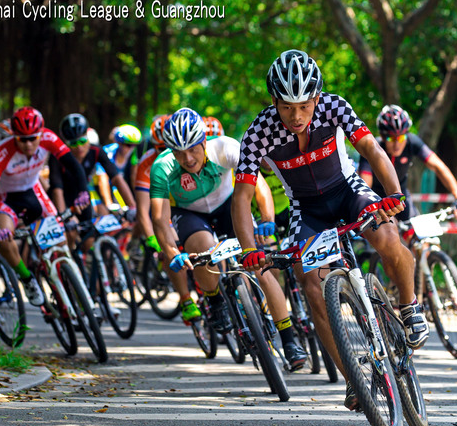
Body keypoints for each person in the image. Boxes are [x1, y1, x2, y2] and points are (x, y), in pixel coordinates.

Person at [231, 49, 429, 411]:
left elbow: (372, 148)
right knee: (311, 285)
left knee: (387, 237)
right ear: (274, 102)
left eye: (304, 106)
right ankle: (354, 379)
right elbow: (242, 196)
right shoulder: (258, 133)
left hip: (347, 191)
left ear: (317, 98)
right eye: (286, 107)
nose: (296, 116)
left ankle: (409, 305)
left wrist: (393, 193)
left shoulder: (335, 106)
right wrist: (249, 249)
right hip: (306, 209)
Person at [149, 108, 306, 368]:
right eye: (179, 152)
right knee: (203, 248)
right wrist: (172, 252)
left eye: (193, 149)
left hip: (228, 205)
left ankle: (289, 340)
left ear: (204, 141)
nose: (187, 158)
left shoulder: (225, 147)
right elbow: (159, 217)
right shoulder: (162, 167)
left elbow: (258, 185)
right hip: (190, 213)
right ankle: (214, 298)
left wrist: (266, 218)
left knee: (261, 267)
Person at [0, 106, 91, 307]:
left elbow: (74, 166)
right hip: (4, 198)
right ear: (14, 137)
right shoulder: (1, 153)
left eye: (33, 138)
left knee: (61, 244)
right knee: (4, 239)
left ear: (40, 134)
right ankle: (26, 278)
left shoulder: (49, 138)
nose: (29, 144)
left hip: (32, 191)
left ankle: (75, 293)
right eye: (23, 140)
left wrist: (83, 192)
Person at [133, 114, 201, 322]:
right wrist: (153, 238)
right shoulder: (147, 165)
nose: (166, 152)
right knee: (168, 245)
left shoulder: (187, 156)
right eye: (160, 148)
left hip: (186, 202)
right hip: (163, 205)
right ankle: (185, 299)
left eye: (169, 148)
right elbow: (144, 210)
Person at [358, 104, 457, 221]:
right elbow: (365, 184)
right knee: (387, 230)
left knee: (417, 231)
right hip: (377, 198)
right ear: (383, 137)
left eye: (401, 138)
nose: (397, 144)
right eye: (391, 138)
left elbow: (438, 166)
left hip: (401, 197)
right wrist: (368, 207)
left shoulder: (412, 142)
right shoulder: (373, 148)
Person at [48, 113, 137, 245]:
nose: (79, 147)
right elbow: (57, 190)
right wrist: (64, 217)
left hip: (82, 198)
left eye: (82, 141)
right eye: (73, 144)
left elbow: (116, 178)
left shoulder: (96, 151)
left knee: (88, 240)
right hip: (61, 199)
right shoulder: (57, 157)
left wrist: (132, 206)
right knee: (68, 237)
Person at [103, 124, 141, 191]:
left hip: (119, 189)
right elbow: (103, 181)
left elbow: (134, 178)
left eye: (134, 145)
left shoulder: (133, 155)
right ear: (119, 143)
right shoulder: (108, 153)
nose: (131, 149)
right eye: (128, 145)